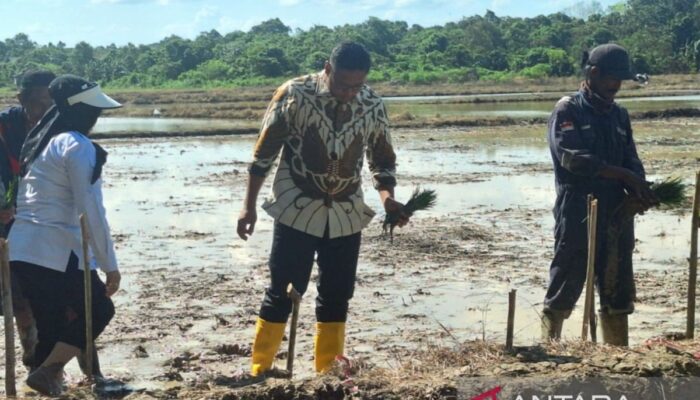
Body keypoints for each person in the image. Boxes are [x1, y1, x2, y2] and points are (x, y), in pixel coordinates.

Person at [237, 41, 409, 376]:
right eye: (343, 85)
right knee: (282, 292)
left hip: (346, 215)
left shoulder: (372, 103)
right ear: (327, 70)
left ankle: (326, 373)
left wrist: (388, 200)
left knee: (336, 296)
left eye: (356, 86)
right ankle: (260, 369)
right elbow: (263, 155)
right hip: (296, 209)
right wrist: (248, 207)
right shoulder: (294, 95)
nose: (349, 93)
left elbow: (382, 160)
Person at [9, 74, 122, 396]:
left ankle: (45, 382)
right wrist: (108, 264)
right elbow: (91, 211)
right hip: (56, 251)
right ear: (83, 112)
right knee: (100, 310)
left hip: (24, 250)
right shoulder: (76, 145)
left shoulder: (41, 141)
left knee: (51, 326)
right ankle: (49, 371)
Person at [542, 43, 658, 345]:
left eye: (621, 80)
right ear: (592, 74)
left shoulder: (619, 115)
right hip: (579, 207)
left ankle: (618, 355)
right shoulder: (568, 109)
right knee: (568, 275)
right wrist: (623, 174)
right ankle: (549, 347)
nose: (616, 86)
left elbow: (631, 159)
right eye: (611, 79)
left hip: (617, 211)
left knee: (617, 284)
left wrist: (638, 188)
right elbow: (574, 158)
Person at [0, 70, 55, 370]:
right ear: (22, 100)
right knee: (18, 294)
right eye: (38, 103)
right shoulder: (4, 128)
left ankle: (70, 362)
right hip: (6, 222)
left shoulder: (59, 129)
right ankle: (33, 357)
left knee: (51, 292)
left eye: (51, 104)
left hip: (43, 221)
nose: (44, 111)